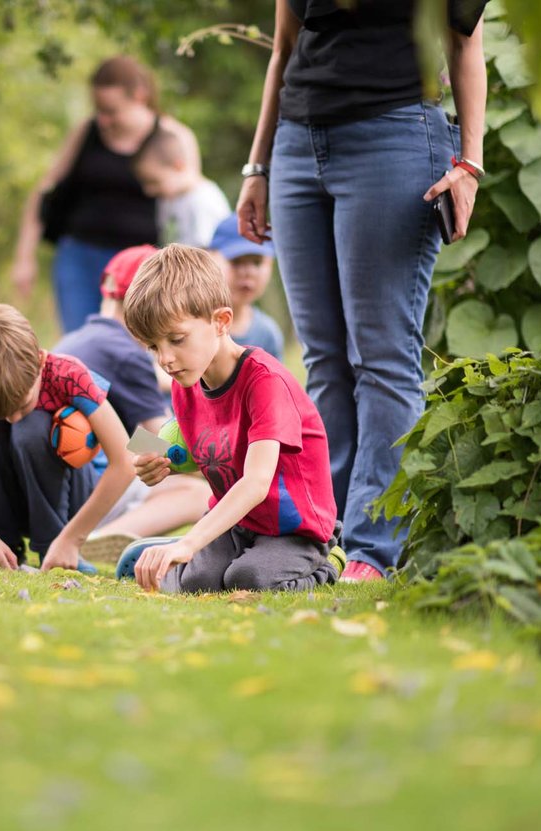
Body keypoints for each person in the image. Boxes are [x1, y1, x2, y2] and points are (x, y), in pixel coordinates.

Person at [236, 0, 488, 581]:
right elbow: (282, 50)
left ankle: (376, 550)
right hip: (297, 144)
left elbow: (465, 43)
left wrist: (470, 164)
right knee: (323, 357)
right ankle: (326, 533)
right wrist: (257, 167)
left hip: (394, 136)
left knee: (381, 355)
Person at [113, 245, 339, 593]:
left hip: (294, 528)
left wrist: (188, 543)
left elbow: (256, 482)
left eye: (176, 340)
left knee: (246, 580)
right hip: (237, 522)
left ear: (220, 321)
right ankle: (166, 561)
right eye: (154, 347)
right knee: (198, 583)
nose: (166, 359)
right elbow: (214, 455)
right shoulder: (184, 382)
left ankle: (331, 560)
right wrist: (160, 465)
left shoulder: (265, 381)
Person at [0, 304, 134, 574]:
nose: (12, 418)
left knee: (31, 427)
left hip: (74, 499)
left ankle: (55, 548)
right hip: (14, 499)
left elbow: (125, 461)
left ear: (37, 363)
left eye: (21, 404)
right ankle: (2, 544)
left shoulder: (68, 375)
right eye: (3, 414)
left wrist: (72, 539)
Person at [12, 55, 201, 334]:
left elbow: (192, 191)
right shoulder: (86, 132)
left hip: (141, 266)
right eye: (98, 109)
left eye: (111, 110)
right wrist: (24, 257)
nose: (103, 119)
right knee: (82, 343)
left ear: (139, 97)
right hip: (80, 257)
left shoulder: (173, 136)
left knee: (135, 343)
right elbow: (45, 191)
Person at [52, 244, 214, 564]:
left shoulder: (77, 339)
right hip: (85, 491)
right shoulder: (127, 353)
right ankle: (96, 540)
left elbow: (128, 433)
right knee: (199, 494)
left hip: (58, 486)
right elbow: (166, 445)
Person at [132, 125, 231, 249]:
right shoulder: (169, 199)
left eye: (154, 182)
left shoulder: (203, 200)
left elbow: (207, 252)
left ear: (178, 166)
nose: (148, 191)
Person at [207, 214, 285, 360]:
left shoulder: (267, 334)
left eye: (257, 263)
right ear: (210, 258)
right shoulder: (195, 324)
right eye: (236, 261)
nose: (248, 272)